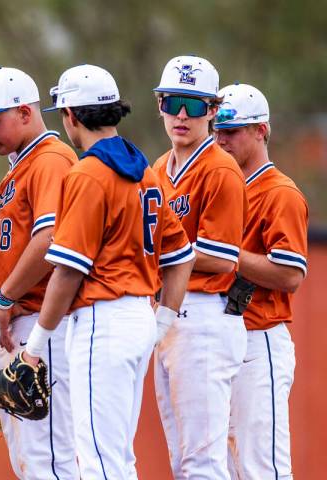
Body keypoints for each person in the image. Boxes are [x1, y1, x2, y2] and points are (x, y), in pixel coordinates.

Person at [20, 63, 195, 479]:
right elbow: (181, 257)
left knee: (98, 462)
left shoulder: (88, 173)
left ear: (71, 115)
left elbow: (67, 272)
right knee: (117, 458)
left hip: (102, 322)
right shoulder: (147, 174)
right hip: (138, 319)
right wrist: (161, 320)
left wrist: (35, 345)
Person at [0, 66, 80, 479]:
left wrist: (4, 299)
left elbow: (50, 241)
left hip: (43, 325)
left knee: (50, 458)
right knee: (33, 460)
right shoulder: (21, 165)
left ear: (25, 113)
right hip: (19, 324)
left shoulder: (50, 160)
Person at [151, 55, 249, 479]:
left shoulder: (220, 169)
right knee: (182, 456)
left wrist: (154, 254)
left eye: (195, 104)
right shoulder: (158, 167)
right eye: (173, 102)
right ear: (160, 105)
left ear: (213, 108)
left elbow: (224, 257)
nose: (183, 115)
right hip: (169, 314)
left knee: (203, 461)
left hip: (206, 319)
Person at [214, 83, 308, 479]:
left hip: (259, 339)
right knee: (226, 465)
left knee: (260, 468)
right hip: (220, 338)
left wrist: (226, 254)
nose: (221, 139)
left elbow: (290, 275)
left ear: (261, 131)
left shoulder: (279, 192)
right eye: (217, 131)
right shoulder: (220, 186)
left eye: (232, 131)